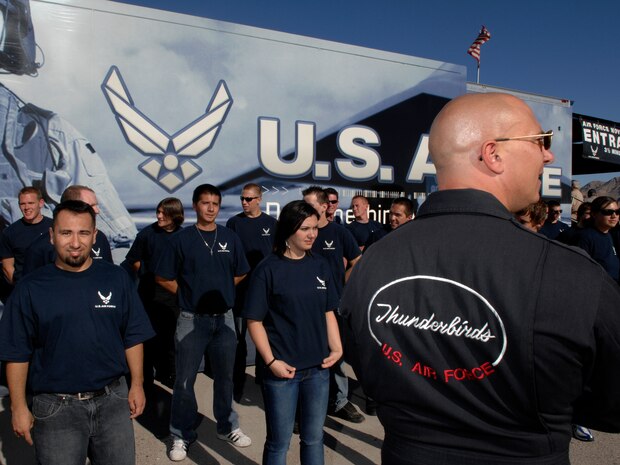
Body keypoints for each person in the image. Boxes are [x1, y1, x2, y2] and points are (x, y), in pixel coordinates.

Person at [340, 92, 620, 465]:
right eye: (541, 141)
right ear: (494, 153)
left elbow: (368, 368)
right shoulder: (569, 273)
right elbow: (611, 405)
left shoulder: (370, 264)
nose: (548, 155)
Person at [0, 200, 154, 465]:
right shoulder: (30, 288)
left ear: (94, 235)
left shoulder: (116, 278)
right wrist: (18, 407)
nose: (75, 242)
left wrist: (137, 384)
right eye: (65, 233)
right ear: (51, 235)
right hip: (56, 408)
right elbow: (17, 353)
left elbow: (133, 335)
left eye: (83, 233)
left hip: (113, 401)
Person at [155, 184, 252, 462]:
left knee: (225, 378)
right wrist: (187, 295)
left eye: (215, 204)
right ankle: (180, 434)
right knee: (185, 381)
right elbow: (162, 276)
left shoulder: (229, 237)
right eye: (205, 203)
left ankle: (227, 426)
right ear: (195, 206)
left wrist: (223, 290)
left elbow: (241, 272)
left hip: (225, 319)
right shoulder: (182, 240)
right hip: (190, 320)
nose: (210, 208)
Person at [244, 200, 343, 465]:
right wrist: (271, 362)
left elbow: (328, 311)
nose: (312, 234)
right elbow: (254, 321)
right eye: (305, 229)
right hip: (282, 373)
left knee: (313, 439)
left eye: (315, 228)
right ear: (289, 230)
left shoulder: (321, 265)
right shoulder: (268, 269)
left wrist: (337, 348)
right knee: (279, 444)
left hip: (318, 371)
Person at [302, 186, 364, 423]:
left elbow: (357, 260)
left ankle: (339, 401)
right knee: (306, 356)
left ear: (324, 206)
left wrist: (342, 283)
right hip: (305, 307)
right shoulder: (297, 233)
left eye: (310, 204)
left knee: (336, 356)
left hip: (332, 306)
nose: (306, 209)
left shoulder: (339, 233)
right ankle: (305, 405)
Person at [126, 197, 184, 389]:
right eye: (158, 212)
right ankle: (146, 380)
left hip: (174, 298)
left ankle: (170, 375)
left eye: (163, 213)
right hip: (149, 296)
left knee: (171, 340)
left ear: (174, 215)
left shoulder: (184, 236)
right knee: (148, 339)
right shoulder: (147, 234)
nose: (158, 215)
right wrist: (147, 275)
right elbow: (133, 259)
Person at [226, 183, 277, 400]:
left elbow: (278, 256)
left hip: (265, 293)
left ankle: (262, 376)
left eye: (249, 199)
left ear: (259, 199)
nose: (245, 203)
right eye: (242, 199)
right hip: (240, 291)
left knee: (264, 337)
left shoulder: (272, 224)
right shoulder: (234, 223)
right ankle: (237, 383)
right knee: (238, 341)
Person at [21, 185, 113, 276]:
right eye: (91, 206)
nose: (97, 211)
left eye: (96, 205)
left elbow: (109, 274)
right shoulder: (38, 249)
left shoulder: (100, 238)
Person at [0, 186, 53, 296]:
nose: (26, 207)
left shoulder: (55, 227)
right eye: (22, 204)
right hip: (25, 290)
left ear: (41, 203)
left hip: (53, 287)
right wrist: (20, 289)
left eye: (30, 203)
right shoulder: (9, 233)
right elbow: (7, 267)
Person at [574, 196, 619, 281]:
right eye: (608, 212)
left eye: (617, 212)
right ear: (594, 214)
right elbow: (579, 270)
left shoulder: (609, 234)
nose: (614, 216)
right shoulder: (585, 237)